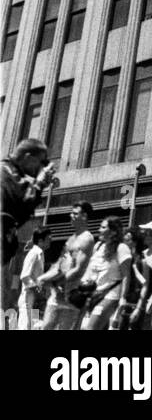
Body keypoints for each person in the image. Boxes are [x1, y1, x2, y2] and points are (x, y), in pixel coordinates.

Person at [1, 138, 53, 308]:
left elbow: (21, 213)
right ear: (29, 157)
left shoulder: (12, 174)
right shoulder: (6, 173)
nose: (40, 168)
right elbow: (22, 205)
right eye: (41, 162)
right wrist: (39, 183)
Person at [39, 200, 96, 330]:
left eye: (75, 213)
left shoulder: (87, 238)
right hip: (57, 295)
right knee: (45, 327)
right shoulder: (71, 238)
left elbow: (78, 269)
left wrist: (56, 283)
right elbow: (59, 264)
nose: (71, 215)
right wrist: (44, 278)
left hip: (71, 296)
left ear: (84, 216)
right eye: (71, 213)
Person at [77, 217, 132, 331]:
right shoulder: (98, 246)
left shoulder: (122, 248)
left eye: (103, 227)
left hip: (110, 295)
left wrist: (123, 298)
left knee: (91, 327)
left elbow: (126, 275)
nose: (99, 230)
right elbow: (90, 270)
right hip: (94, 294)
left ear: (113, 231)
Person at [110, 226, 145, 330]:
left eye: (127, 237)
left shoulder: (139, 259)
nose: (124, 238)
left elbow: (142, 281)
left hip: (130, 297)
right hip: (120, 295)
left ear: (134, 241)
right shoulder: (122, 255)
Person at [17, 226, 50, 329]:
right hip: (28, 298)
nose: (50, 241)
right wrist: (37, 290)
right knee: (25, 327)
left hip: (35, 299)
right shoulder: (34, 253)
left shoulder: (40, 254)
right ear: (41, 240)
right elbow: (24, 276)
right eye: (48, 239)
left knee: (34, 327)